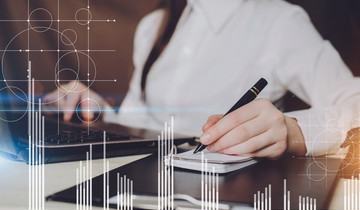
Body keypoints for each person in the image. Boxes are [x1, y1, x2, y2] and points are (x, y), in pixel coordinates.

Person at [45, 0, 360, 159]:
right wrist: (97, 108)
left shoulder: (279, 21)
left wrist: (293, 131)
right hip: (141, 184)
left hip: (218, 199)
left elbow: (355, 103)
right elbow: (139, 117)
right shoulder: (152, 26)